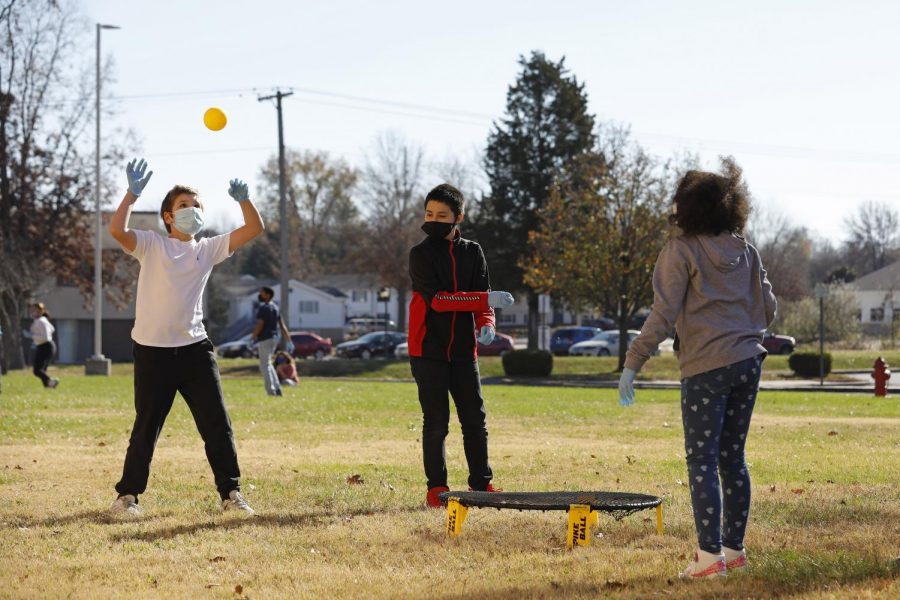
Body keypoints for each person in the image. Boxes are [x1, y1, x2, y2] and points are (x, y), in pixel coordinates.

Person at [618, 158, 777, 578]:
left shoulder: (680, 251)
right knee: (733, 459)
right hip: (748, 362)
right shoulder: (747, 251)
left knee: (702, 461)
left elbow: (663, 313)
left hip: (706, 366)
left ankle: (709, 559)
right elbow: (770, 308)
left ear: (686, 208)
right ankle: (734, 550)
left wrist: (633, 362)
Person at [107, 158, 265, 517]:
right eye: (183, 206)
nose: (191, 211)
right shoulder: (151, 245)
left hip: (195, 351)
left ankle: (231, 494)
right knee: (146, 428)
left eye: (196, 206)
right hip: (152, 353)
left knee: (217, 425)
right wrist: (131, 196)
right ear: (167, 216)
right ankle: (127, 497)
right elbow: (117, 231)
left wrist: (244, 200)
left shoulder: (205, 249)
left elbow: (254, 228)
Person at [408, 183, 515, 508]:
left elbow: (484, 300)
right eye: (429, 213)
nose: (434, 219)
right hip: (427, 350)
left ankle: (482, 484)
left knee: (474, 419)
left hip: (463, 351)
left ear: (458, 217)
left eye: (442, 214)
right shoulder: (420, 255)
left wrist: (487, 324)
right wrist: (483, 300)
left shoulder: (473, 252)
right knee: (437, 421)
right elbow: (439, 302)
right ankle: (436, 490)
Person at [250, 286, 293, 397]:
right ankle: (277, 388)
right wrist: (289, 340)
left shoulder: (264, 308)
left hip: (264, 338)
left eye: (262, 293)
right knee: (268, 364)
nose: (260, 294)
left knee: (264, 366)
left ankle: (271, 391)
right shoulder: (275, 308)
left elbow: (260, 324)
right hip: (274, 338)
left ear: (268, 295)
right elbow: (282, 326)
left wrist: (253, 337)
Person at [30, 302, 59, 389]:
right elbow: (52, 329)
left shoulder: (41, 321)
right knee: (42, 369)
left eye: (35, 310)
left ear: (40, 311)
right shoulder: (42, 320)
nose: (33, 312)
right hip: (44, 346)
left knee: (37, 370)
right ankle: (48, 386)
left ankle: (51, 381)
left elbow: (45, 337)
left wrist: (33, 336)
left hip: (46, 346)